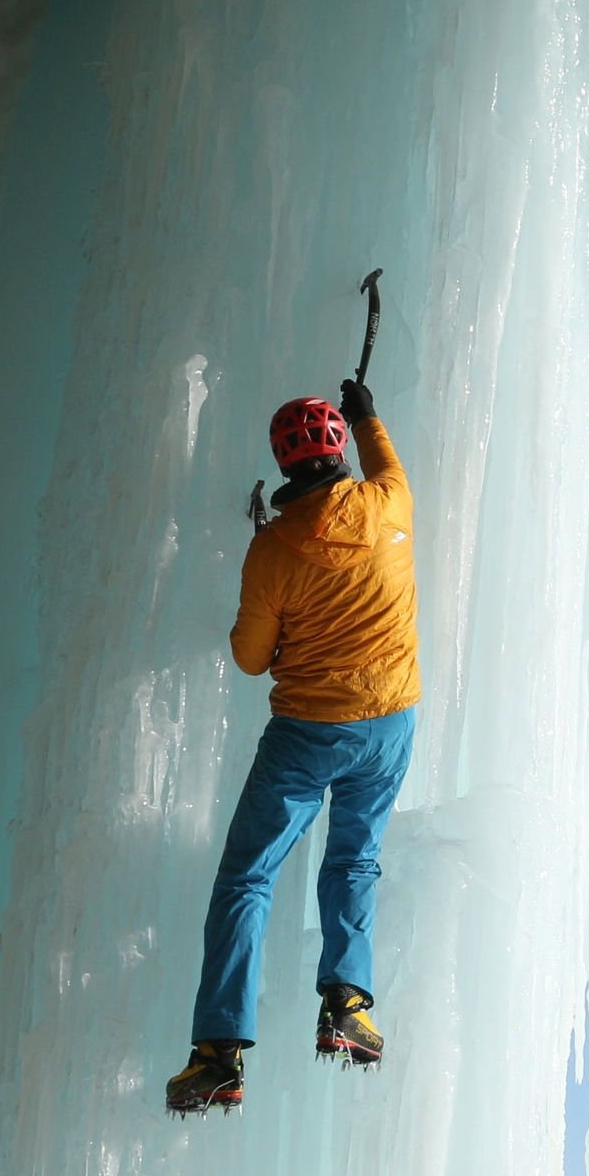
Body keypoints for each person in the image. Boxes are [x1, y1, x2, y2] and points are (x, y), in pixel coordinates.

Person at [166, 378, 419, 1116]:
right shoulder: (389, 504)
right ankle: (348, 1006)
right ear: (340, 448)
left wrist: (271, 595)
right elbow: (387, 462)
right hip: (392, 724)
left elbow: (250, 657)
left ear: (282, 466)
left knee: (248, 878)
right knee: (354, 859)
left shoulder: (273, 552)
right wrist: (369, 412)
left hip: (308, 732)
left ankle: (219, 1052)